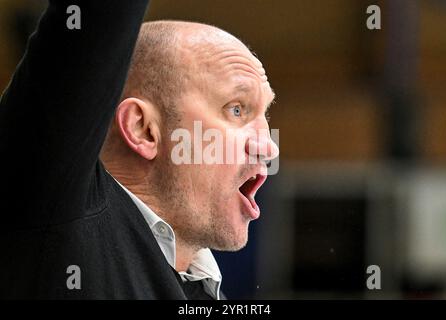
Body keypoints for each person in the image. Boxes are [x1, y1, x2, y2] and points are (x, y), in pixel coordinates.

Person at [0, 0, 279, 300]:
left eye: (266, 114)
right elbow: (102, 16)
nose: (269, 147)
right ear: (142, 128)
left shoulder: (206, 292)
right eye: (237, 110)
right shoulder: (54, 200)